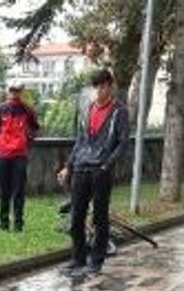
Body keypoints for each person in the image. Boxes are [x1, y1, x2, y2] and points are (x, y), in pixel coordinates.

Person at [58, 69, 130, 274]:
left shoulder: (119, 111)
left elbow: (123, 143)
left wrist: (107, 165)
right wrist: (68, 167)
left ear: (110, 86)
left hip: (101, 170)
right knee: (76, 216)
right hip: (81, 168)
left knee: (99, 217)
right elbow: (80, 141)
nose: (99, 90)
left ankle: (96, 261)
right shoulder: (88, 109)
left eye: (103, 86)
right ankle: (78, 258)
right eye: (96, 86)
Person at [0, 83, 40, 232]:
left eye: (17, 91)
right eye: (12, 91)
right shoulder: (0, 110)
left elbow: (36, 127)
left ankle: (18, 223)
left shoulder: (27, 110)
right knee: (4, 190)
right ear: (8, 92)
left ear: (21, 92)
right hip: (2, 153)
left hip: (19, 155)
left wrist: (28, 139)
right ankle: (3, 222)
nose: (14, 94)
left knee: (19, 190)